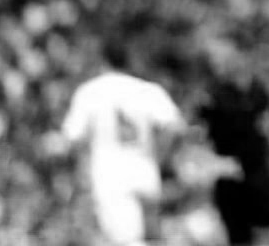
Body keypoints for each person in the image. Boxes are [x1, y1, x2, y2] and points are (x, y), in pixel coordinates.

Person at [61, 38, 186, 246]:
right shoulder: (146, 89)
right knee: (153, 238)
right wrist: (158, 158)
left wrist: (81, 166)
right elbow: (177, 128)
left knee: (127, 241)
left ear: (102, 60)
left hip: (111, 178)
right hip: (146, 173)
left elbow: (71, 138)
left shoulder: (90, 91)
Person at [196, 42, 269, 246]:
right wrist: (213, 163)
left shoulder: (260, 91)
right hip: (230, 172)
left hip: (257, 169)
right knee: (240, 235)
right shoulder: (214, 96)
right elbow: (198, 132)